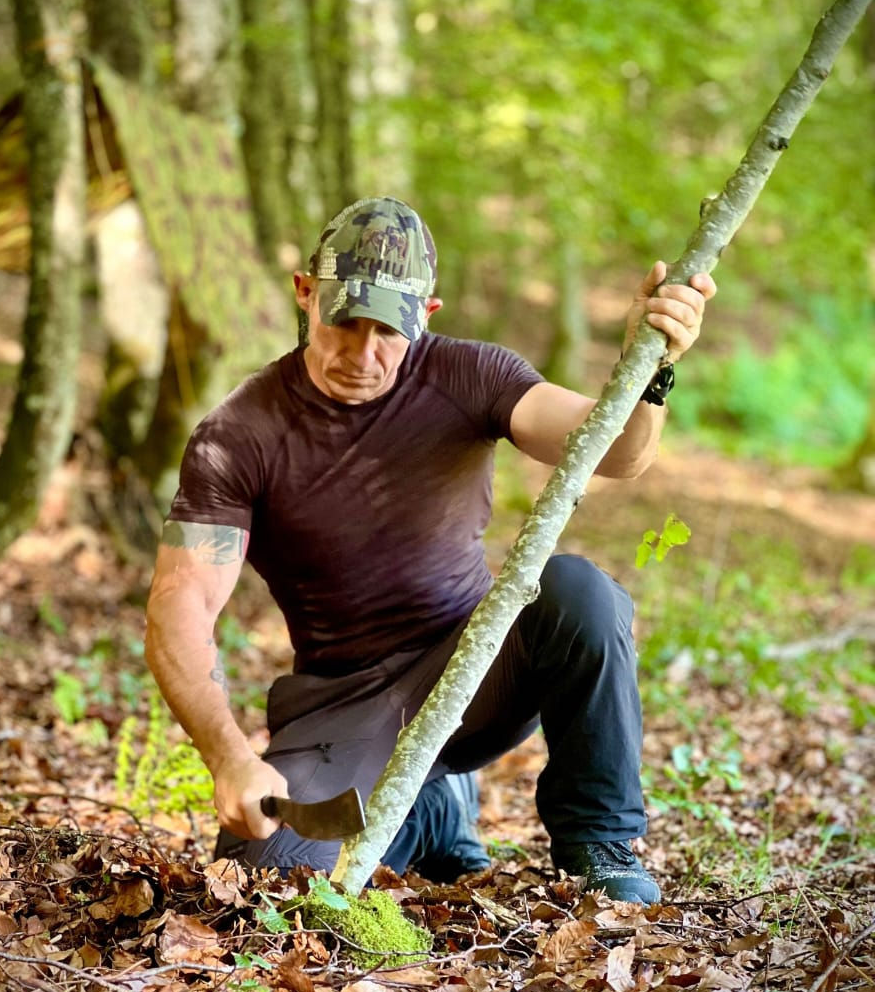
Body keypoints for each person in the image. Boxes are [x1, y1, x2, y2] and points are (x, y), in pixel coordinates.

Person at [145, 197, 715, 903]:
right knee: (270, 872)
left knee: (577, 592)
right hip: (343, 702)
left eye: (389, 330)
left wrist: (646, 367)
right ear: (304, 292)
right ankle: (430, 811)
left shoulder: (468, 377)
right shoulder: (239, 433)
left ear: (429, 315)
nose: (363, 352)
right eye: (344, 322)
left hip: (472, 669)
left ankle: (599, 841)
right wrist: (229, 758)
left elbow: (616, 451)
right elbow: (182, 600)